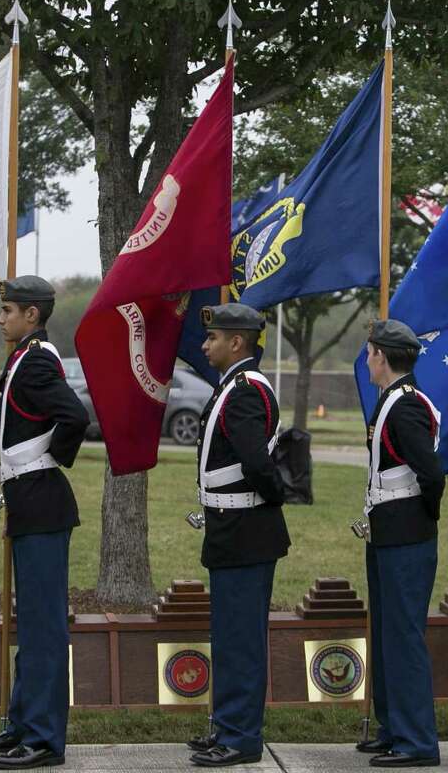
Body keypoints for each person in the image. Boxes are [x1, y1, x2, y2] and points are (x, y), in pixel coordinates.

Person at [0, 276, 89, 770]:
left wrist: (47, 460)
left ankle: (43, 738)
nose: (0, 318)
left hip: (42, 502)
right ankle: (22, 723)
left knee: (43, 630)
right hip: (29, 504)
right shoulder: (24, 355)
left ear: (32, 316)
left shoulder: (38, 359)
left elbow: (75, 417)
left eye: (8, 310)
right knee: (31, 626)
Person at [186, 303, 287, 768]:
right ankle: (226, 726)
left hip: (246, 529)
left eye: (213, 337)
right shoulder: (232, 385)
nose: (205, 345)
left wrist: (272, 497)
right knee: (228, 636)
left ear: (237, 343)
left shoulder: (245, 390)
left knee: (242, 639)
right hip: (232, 530)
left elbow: (255, 462)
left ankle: (242, 737)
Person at [355, 319, 445, 768]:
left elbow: (431, 473)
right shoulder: (392, 400)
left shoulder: (403, 405)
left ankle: (416, 741)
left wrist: (419, 516)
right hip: (390, 530)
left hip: (406, 532)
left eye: (369, 352)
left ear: (381, 356)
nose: (366, 360)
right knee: (389, 632)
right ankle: (394, 729)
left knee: (404, 635)